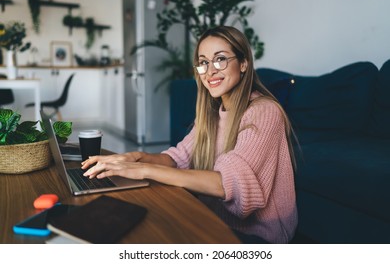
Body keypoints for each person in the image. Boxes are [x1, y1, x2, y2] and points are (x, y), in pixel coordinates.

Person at [82, 26, 298, 244]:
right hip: (211, 220)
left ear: (243, 64)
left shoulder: (265, 111)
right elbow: (178, 158)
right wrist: (132, 158)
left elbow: (226, 183)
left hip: (257, 237)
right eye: (204, 62)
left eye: (220, 59)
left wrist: (144, 170)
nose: (210, 71)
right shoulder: (212, 114)